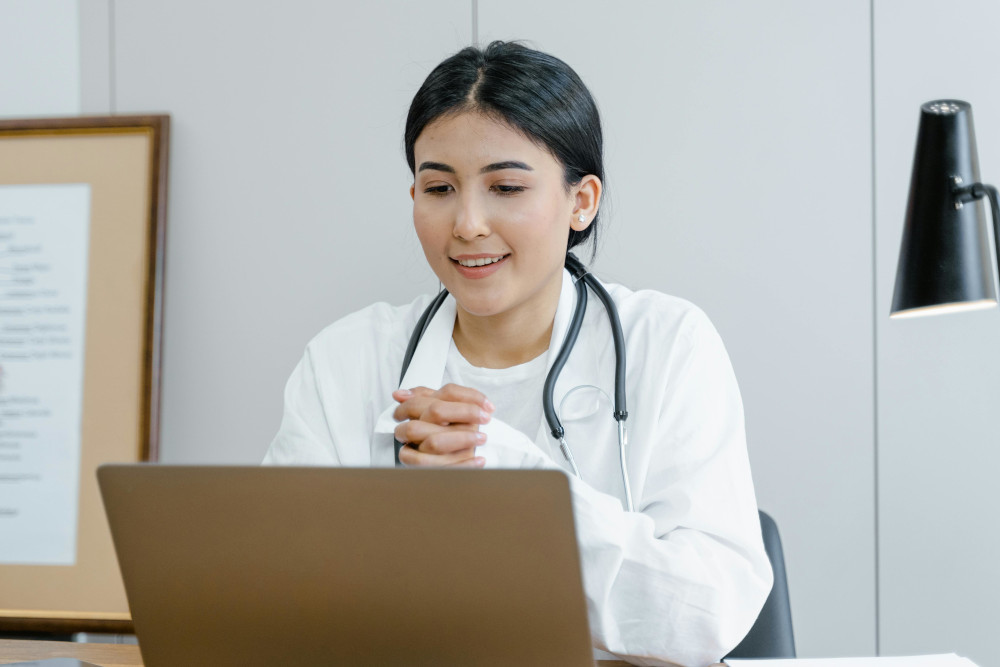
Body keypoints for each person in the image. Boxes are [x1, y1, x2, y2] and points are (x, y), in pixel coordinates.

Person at [264, 41, 772, 667]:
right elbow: (279, 601)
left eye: (505, 186)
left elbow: (707, 616)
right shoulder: (345, 361)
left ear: (581, 202)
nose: (468, 223)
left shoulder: (666, 345)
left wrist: (521, 489)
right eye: (439, 187)